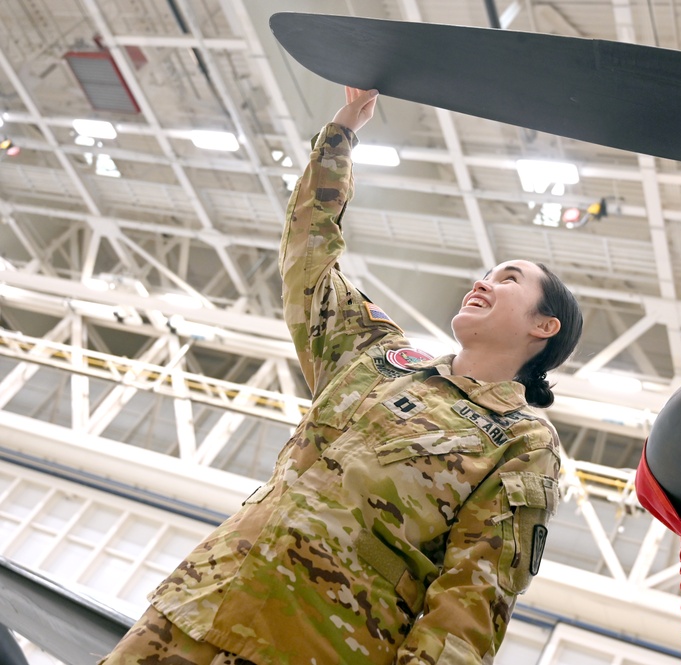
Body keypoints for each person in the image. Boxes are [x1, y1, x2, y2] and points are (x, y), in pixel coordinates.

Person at [100, 87, 583, 665]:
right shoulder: (376, 358)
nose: (482, 282)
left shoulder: (522, 442)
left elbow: (471, 601)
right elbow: (309, 256)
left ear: (545, 325)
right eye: (484, 273)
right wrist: (341, 134)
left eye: (508, 279)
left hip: (314, 648)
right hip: (193, 610)